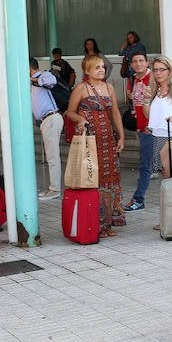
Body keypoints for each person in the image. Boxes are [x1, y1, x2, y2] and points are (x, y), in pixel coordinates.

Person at [66, 53, 125, 237]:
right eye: (97, 67)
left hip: (107, 139)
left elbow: (115, 112)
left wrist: (121, 137)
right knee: (91, 177)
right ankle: (94, 221)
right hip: (89, 139)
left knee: (110, 178)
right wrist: (81, 118)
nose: (102, 70)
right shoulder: (81, 88)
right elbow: (69, 112)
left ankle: (107, 223)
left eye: (103, 67)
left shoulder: (109, 87)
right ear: (87, 70)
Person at [30, 56, 64, 200]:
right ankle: (51, 187)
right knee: (51, 155)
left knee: (52, 156)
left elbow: (52, 80)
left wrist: (33, 79)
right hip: (45, 121)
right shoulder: (31, 85)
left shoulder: (43, 75)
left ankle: (55, 189)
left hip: (51, 118)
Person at [124, 52, 154, 212]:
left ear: (147, 62)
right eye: (134, 61)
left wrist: (152, 124)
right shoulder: (134, 79)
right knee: (148, 164)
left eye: (141, 60)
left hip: (152, 130)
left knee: (145, 165)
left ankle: (139, 199)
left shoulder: (154, 79)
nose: (138, 63)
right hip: (141, 128)